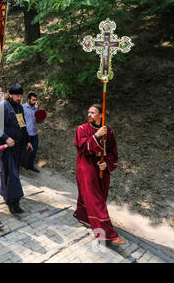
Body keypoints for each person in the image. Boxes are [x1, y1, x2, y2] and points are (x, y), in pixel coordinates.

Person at [74, 104, 126, 245]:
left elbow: (113, 152)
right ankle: (107, 234)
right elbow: (84, 148)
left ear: (101, 115)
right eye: (89, 112)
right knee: (96, 200)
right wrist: (97, 135)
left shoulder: (108, 131)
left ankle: (83, 215)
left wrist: (107, 164)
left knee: (98, 197)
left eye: (93, 112)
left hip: (102, 168)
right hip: (86, 168)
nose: (89, 114)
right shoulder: (82, 129)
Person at [0, 83, 33, 215]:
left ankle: (6, 194)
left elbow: (23, 125)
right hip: (6, 146)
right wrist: (5, 137)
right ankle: (14, 203)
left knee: (11, 173)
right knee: (11, 173)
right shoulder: (1, 107)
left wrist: (28, 141)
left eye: (21, 95)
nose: (19, 97)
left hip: (19, 146)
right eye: (17, 95)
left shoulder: (19, 107)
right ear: (9, 94)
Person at [22, 92, 40, 173]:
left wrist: (41, 120)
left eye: (36, 100)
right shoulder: (22, 108)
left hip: (34, 133)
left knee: (34, 149)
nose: (34, 102)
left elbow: (38, 122)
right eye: (33, 100)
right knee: (24, 150)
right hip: (26, 133)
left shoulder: (36, 110)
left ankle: (31, 165)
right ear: (28, 99)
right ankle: (21, 166)